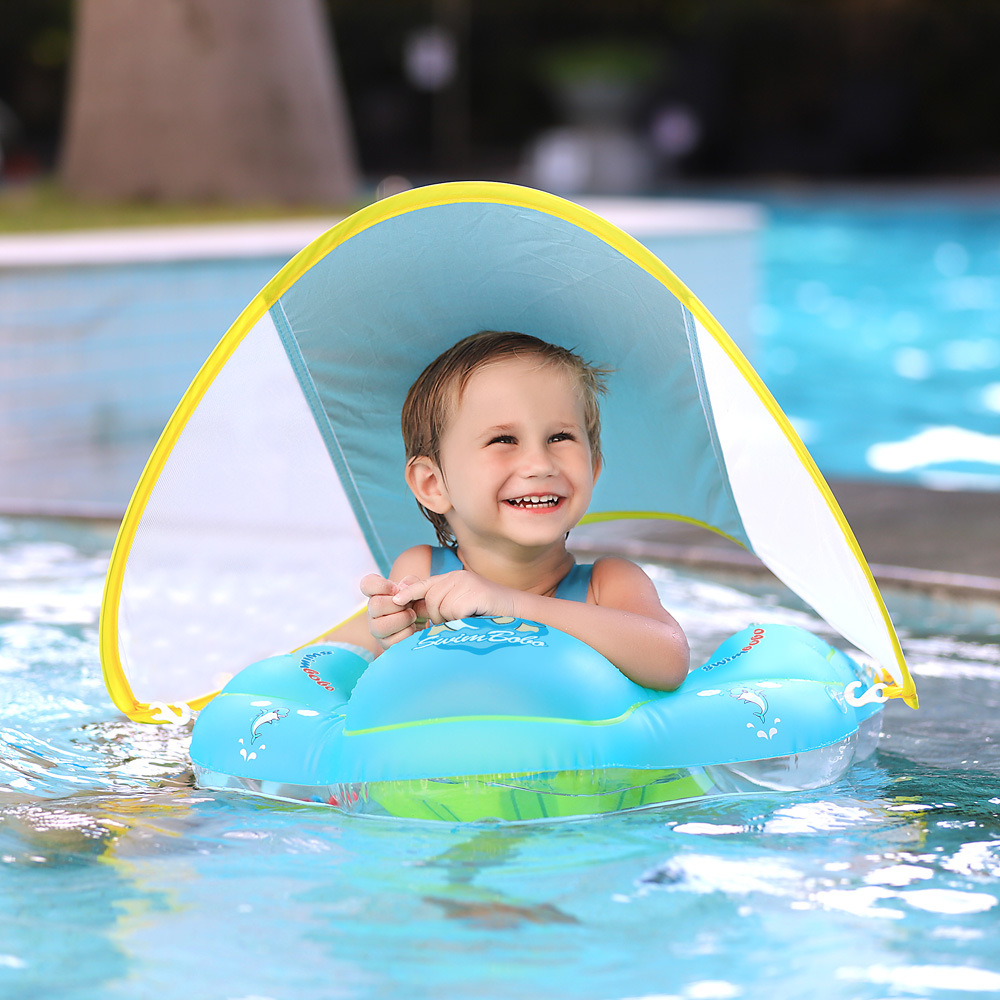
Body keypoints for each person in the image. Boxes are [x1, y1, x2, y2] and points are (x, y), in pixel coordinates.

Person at [326, 330, 689, 691]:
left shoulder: (608, 583)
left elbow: (669, 660)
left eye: (560, 437)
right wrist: (392, 634)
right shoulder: (422, 573)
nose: (539, 464)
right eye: (503, 440)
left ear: (592, 468)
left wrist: (509, 604)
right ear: (433, 485)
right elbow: (399, 688)